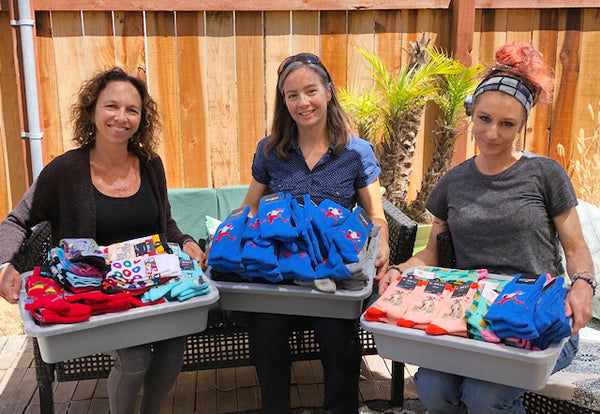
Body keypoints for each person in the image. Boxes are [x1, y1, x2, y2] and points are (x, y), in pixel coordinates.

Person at [377, 43, 594, 414]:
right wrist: (399, 270)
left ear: (523, 125)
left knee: (484, 395)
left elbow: (575, 248)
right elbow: (434, 252)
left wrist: (583, 286)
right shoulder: (453, 182)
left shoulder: (545, 175)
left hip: (537, 313)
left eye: (507, 123)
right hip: (470, 314)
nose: (492, 133)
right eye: (484, 119)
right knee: (431, 387)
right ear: (471, 114)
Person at [0, 67, 205, 414]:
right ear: (93, 110)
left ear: (142, 118)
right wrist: (4, 265)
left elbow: (165, 224)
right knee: (136, 356)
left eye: (132, 110)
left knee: (174, 345)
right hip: (98, 294)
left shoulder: (150, 164)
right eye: (111, 106)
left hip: (151, 286)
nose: (121, 118)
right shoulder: (65, 171)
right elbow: (17, 221)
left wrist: (185, 241)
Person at [240, 53, 390, 413]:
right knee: (264, 331)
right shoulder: (270, 149)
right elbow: (249, 209)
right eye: (292, 95)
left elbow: (376, 216)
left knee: (340, 339)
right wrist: (235, 237)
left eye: (310, 91)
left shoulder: (356, 152)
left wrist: (381, 244)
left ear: (328, 92)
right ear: (284, 101)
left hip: (334, 277)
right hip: (281, 277)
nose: (302, 102)